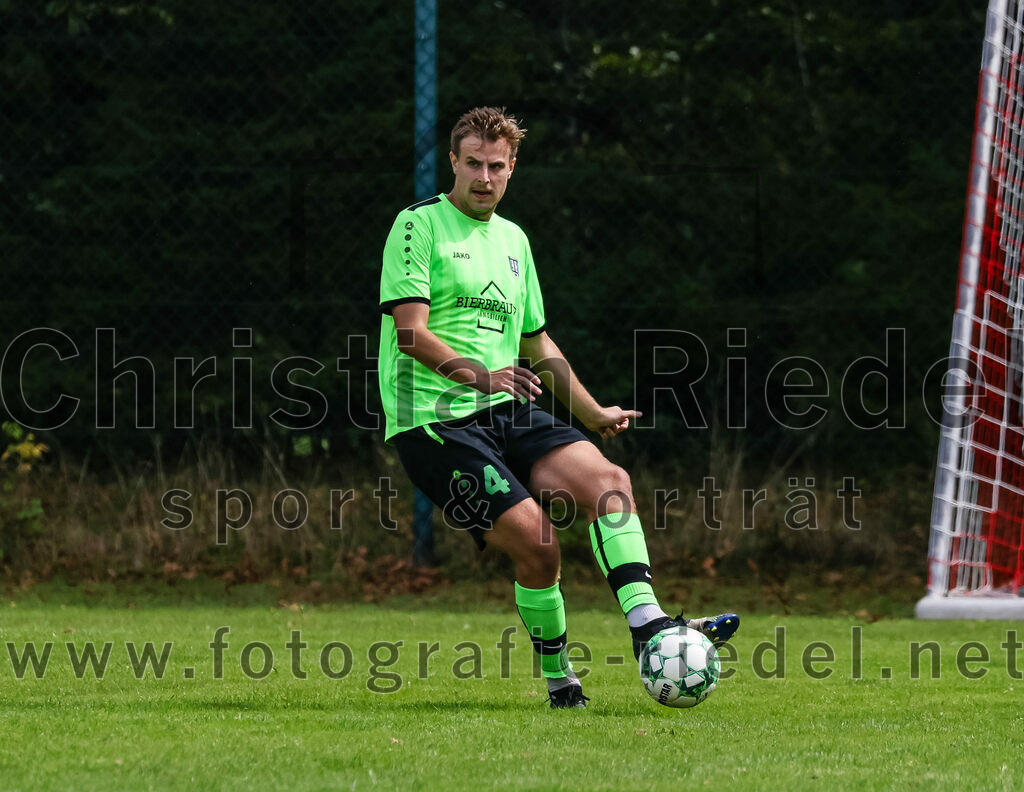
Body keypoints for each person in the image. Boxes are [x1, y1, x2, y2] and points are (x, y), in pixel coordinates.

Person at [378, 106, 738, 708]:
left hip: (505, 406)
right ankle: (559, 676)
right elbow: (410, 333)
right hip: (434, 421)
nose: (484, 177)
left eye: (496, 166)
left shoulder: (515, 240)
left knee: (609, 481)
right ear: (453, 163)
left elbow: (536, 340)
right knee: (539, 546)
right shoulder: (418, 226)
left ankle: (649, 626)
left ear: (512, 168)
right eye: (473, 164)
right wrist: (483, 375)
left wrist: (593, 412)